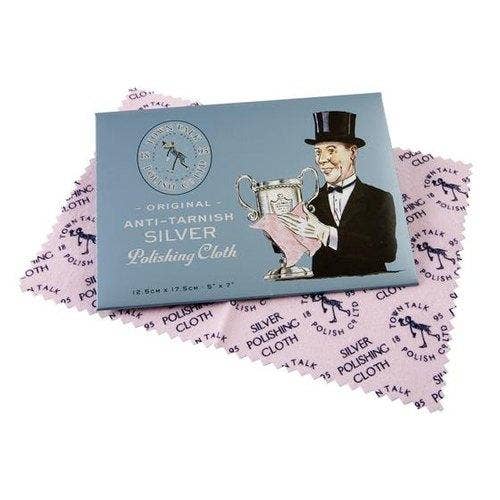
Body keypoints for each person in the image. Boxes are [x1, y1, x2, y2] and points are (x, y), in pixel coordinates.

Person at [279, 111, 397, 277]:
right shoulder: (312, 203)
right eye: (318, 152)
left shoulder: (379, 199)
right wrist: (275, 230)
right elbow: (296, 243)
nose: (322, 160)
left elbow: (388, 252)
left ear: (352, 152)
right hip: (324, 288)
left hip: (372, 287)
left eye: (331, 150)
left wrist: (325, 232)